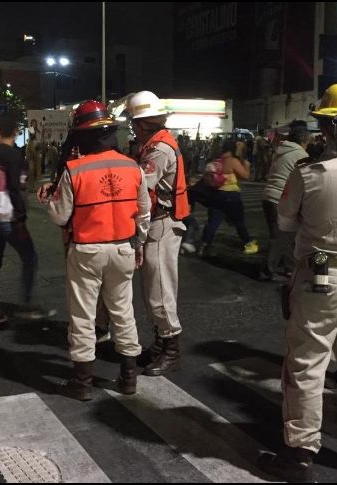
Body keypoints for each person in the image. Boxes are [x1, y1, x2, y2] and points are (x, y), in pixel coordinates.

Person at [259, 81, 337, 482]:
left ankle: (300, 453)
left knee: (307, 363)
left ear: (331, 126)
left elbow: (285, 221)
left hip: (320, 273)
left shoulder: (310, 173)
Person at [39, 100, 151, 401]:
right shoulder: (132, 167)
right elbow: (144, 214)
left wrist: (47, 199)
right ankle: (128, 378)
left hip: (86, 252)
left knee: (83, 316)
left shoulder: (75, 170)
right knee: (123, 312)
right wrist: (139, 244)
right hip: (123, 248)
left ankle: (83, 382)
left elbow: (59, 216)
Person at [125, 91, 190, 376]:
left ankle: (171, 350)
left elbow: (139, 186)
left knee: (159, 291)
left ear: (141, 123)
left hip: (161, 224)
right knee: (153, 289)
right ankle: (160, 345)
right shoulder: (154, 144)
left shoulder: (159, 150)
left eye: (133, 122)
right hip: (158, 222)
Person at [0, 112, 54, 324]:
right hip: (7, 216)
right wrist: (20, 217)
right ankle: (27, 306)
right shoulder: (13, 156)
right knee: (30, 257)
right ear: (15, 131)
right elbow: (15, 188)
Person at [259, 123, 309, 282]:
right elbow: (305, 179)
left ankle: (290, 269)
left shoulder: (281, 150)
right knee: (280, 237)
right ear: (304, 140)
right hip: (280, 198)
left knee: (285, 235)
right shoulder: (301, 154)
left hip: (268, 196)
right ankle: (267, 271)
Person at [198, 138, 259, 257]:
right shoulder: (232, 161)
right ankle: (248, 243)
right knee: (239, 222)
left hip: (216, 195)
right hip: (231, 196)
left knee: (213, 222)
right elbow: (245, 175)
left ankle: (204, 245)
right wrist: (246, 164)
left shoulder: (218, 160)